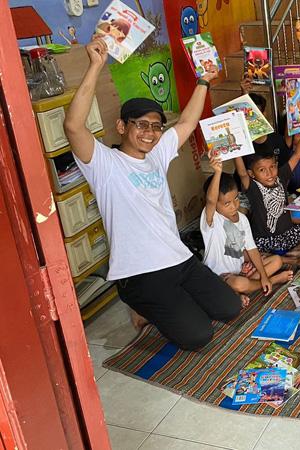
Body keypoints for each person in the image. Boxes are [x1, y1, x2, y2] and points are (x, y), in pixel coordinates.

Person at [64, 37, 239, 350]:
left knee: (230, 307)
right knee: (199, 336)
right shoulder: (104, 163)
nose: (149, 132)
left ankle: (175, 305)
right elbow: (74, 126)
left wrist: (203, 81)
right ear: (121, 126)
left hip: (179, 258)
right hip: (140, 274)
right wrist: (95, 66)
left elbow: (187, 121)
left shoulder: (157, 154)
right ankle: (141, 310)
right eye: (140, 125)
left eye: (156, 126)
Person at [201, 156, 295, 305]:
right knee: (239, 283)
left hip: (240, 272)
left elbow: (252, 249)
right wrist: (218, 172)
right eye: (227, 203)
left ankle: (245, 289)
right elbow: (211, 200)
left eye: (236, 199)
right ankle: (273, 280)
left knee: (276, 261)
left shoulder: (242, 219)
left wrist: (263, 275)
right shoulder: (211, 220)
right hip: (218, 279)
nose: (234, 206)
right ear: (216, 205)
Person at [234, 119, 300, 254]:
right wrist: (234, 147)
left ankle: (296, 250)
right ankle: (287, 255)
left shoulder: (281, 177)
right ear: (252, 174)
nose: (269, 173)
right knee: (264, 256)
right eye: (262, 170)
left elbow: (297, 155)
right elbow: (242, 173)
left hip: (288, 234)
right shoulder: (253, 187)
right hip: (266, 241)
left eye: (272, 167)